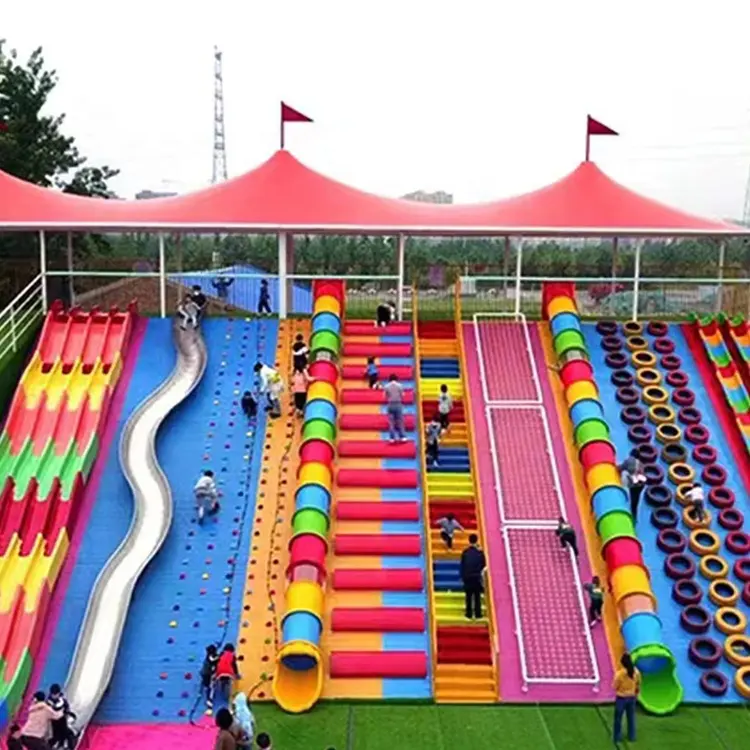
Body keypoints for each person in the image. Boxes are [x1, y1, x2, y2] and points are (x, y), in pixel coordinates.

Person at [612, 652, 640, 743]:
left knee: (618, 718)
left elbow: (614, 686)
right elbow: (638, 684)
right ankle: (632, 736)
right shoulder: (636, 672)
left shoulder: (620, 674)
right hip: (631, 697)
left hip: (621, 698)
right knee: (631, 718)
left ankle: (617, 737)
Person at [460, 533, 486, 619]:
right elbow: (483, 565)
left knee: (468, 596)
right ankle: (478, 614)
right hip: (477, 577)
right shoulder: (480, 553)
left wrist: (463, 577)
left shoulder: (465, 552)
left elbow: (462, 565)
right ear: (477, 541)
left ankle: (469, 613)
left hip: (467, 577)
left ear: (469, 541)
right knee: (477, 596)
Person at [47, 683, 76, 750]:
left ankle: (68, 746)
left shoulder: (62, 699)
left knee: (65, 733)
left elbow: (66, 707)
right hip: (54, 721)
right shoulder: (49, 701)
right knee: (55, 735)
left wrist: (66, 712)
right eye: (53, 694)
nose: (54, 696)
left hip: (62, 720)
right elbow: (50, 710)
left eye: (55, 694)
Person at [619, 456, 646, 522]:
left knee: (633, 498)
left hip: (634, 485)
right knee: (636, 500)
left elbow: (620, 468)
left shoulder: (628, 461)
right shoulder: (641, 463)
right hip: (641, 485)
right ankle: (634, 517)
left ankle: (633, 518)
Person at [384, 374, 406, 443]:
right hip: (398, 403)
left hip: (390, 404)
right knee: (400, 421)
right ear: (396, 379)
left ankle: (392, 438)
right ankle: (402, 437)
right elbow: (402, 395)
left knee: (391, 422)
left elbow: (385, 396)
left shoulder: (386, 386)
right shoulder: (400, 385)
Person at [201, 644, 220, 709]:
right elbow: (213, 662)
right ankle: (209, 700)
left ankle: (209, 698)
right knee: (211, 687)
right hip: (207, 674)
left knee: (208, 685)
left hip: (205, 673)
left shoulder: (210, 657)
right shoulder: (211, 659)